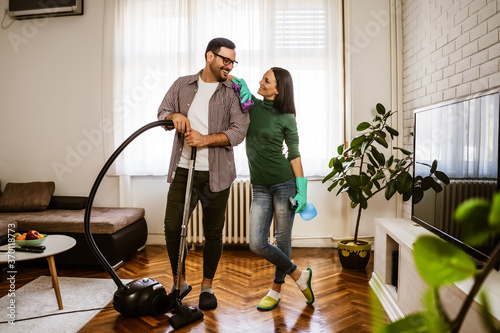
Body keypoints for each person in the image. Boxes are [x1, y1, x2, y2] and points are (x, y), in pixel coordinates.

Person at [157, 37, 249, 310]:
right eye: (225, 59)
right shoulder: (181, 84)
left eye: (233, 61)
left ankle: (207, 286)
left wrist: (205, 140)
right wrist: (173, 116)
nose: (229, 66)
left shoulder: (235, 90)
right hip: (184, 170)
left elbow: (238, 131)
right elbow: (162, 111)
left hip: (217, 174)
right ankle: (180, 281)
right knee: (173, 228)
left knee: (213, 232)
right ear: (210, 56)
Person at [231, 68, 314, 310]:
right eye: (262, 78)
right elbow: (234, 80)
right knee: (256, 243)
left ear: (278, 89)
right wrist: (223, 69)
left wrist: (302, 191)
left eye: (266, 80)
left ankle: (276, 290)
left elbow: (295, 154)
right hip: (259, 187)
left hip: (284, 183)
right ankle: (300, 276)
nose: (260, 82)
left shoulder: (288, 117)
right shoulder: (253, 107)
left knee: (281, 238)